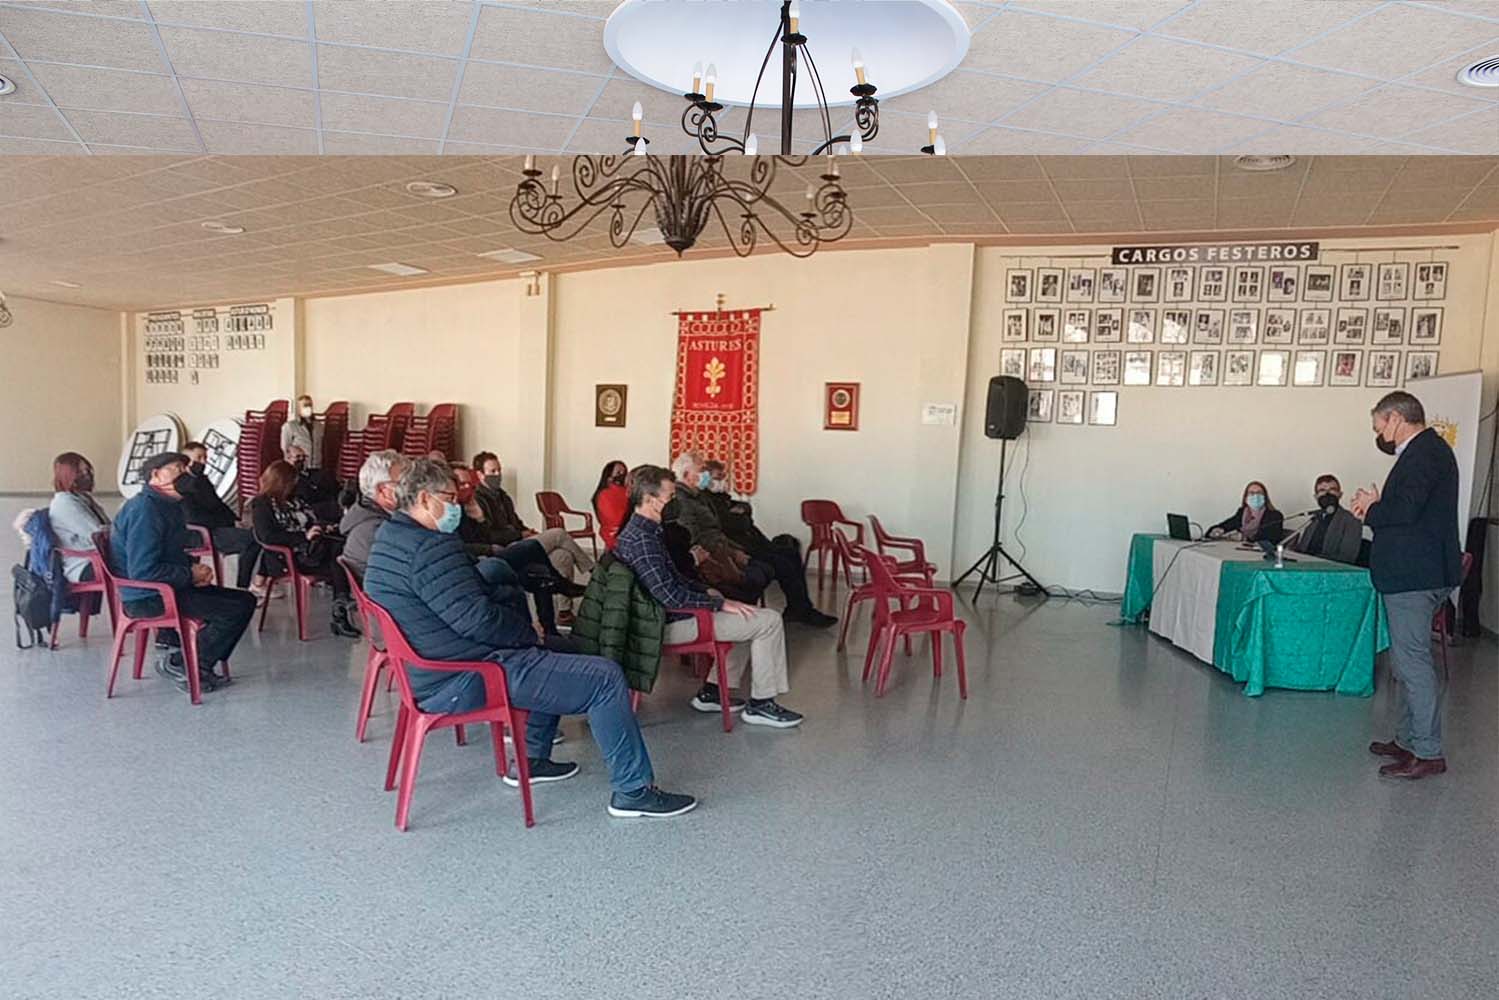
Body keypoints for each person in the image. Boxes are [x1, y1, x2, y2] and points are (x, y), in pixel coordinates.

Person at [364, 458, 696, 819]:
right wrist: (527, 633)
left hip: (436, 667)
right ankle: (633, 790)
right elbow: (477, 620)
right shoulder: (430, 548)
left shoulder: (391, 537)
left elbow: (461, 599)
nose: (456, 505)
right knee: (605, 677)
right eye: (450, 498)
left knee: (570, 649)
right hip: (467, 674)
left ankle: (534, 758)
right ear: (424, 499)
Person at [618, 464, 805, 728]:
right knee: (769, 621)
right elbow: (669, 596)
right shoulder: (643, 541)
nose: (674, 503)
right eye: (670, 497)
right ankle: (762, 704)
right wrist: (719, 603)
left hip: (660, 617)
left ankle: (713, 692)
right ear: (650, 499)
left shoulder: (644, 531)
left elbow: (673, 578)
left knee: (747, 614)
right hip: (661, 625)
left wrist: (706, 591)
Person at [1351, 391, 1461, 781]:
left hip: (1415, 575)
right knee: (1403, 662)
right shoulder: (1422, 453)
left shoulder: (1425, 453)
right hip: (1409, 573)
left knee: (1413, 664)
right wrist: (1380, 504)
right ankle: (1406, 739)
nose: (1379, 435)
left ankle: (1428, 752)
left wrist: (1372, 508)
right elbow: (1413, 508)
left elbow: (1405, 511)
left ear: (1396, 418)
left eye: (1379, 426)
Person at [109, 452, 256, 692]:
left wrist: (194, 570)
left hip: (168, 587)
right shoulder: (145, 510)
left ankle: (194, 663)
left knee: (244, 600)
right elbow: (143, 571)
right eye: (178, 468)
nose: (186, 473)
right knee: (233, 610)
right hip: (147, 597)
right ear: (156, 475)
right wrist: (189, 574)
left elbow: (168, 553)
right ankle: (185, 663)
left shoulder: (168, 506)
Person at [666, 450, 836, 626]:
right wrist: (734, 551)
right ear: (687, 474)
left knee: (787, 553)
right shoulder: (683, 501)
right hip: (717, 554)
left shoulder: (697, 496)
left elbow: (723, 523)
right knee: (776, 564)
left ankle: (799, 609)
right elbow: (701, 536)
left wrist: (734, 548)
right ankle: (776, 615)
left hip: (727, 546)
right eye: (701, 470)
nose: (706, 475)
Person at [452, 464, 583, 637]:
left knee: (541, 571)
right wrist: (492, 546)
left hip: (499, 550)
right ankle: (564, 584)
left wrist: (480, 519)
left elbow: (490, 532)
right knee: (538, 543)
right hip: (484, 559)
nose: (468, 487)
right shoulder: (452, 512)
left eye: (469, 483)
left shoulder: (487, 501)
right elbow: (462, 545)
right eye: (462, 484)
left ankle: (550, 631)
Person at [249, 460, 360, 638]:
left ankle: (341, 610)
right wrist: (303, 537)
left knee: (340, 554)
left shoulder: (294, 500)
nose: (295, 485)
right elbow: (267, 536)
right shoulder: (261, 504)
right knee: (339, 562)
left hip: (311, 549)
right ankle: (341, 612)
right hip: (286, 556)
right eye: (292, 482)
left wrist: (322, 527)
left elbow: (310, 520)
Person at [472, 451, 596, 588]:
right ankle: (594, 572)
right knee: (559, 533)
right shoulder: (477, 500)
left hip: (520, 541)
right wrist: (520, 534)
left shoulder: (504, 497)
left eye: (499, 470)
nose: (498, 475)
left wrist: (528, 531)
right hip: (505, 548)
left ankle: (563, 600)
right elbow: (489, 535)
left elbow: (517, 523)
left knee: (562, 555)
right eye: (493, 471)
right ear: (480, 474)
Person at [176, 441, 261, 590]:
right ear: (186, 460)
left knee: (259, 535)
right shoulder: (181, 486)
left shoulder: (203, 480)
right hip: (202, 533)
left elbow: (218, 504)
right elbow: (194, 518)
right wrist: (227, 523)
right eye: (199, 457)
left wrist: (236, 520)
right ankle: (244, 587)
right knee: (253, 540)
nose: (203, 462)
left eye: (205, 457)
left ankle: (255, 582)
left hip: (218, 527)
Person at [339, 449, 405, 576]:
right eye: (403, 483)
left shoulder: (364, 516)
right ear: (383, 490)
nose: (411, 488)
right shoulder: (379, 531)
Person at [48, 452, 110, 583]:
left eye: (87, 470)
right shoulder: (65, 503)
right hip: (83, 565)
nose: (86, 475)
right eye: (80, 472)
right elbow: (97, 534)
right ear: (67, 475)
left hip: (98, 559)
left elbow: (107, 529)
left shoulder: (83, 499)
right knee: (140, 566)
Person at [1285, 474, 1362, 565]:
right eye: (1322, 490)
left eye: (1332, 489)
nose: (1327, 494)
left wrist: (1313, 560)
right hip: (1305, 567)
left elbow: (1347, 557)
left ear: (1340, 494)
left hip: (1330, 570)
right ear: (1316, 496)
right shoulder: (1314, 519)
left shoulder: (1351, 520)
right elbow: (1302, 550)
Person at [1206, 481, 1285, 543]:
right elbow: (1227, 525)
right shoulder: (1242, 513)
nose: (1256, 496)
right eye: (1252, 493)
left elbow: (1271, 538)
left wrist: (1245, 538)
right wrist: (1218, 530)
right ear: (1246, 498)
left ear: (1265, 497)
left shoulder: (1275, 516)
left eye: (1259, 493)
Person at [591, 460, 630, 551]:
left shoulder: (627, 491)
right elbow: (614, 520)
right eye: (618, 472)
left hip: (626, 529)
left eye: (624, 472)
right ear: (609, 476)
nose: (622, 475)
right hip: (615, 533)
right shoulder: (604, 494)